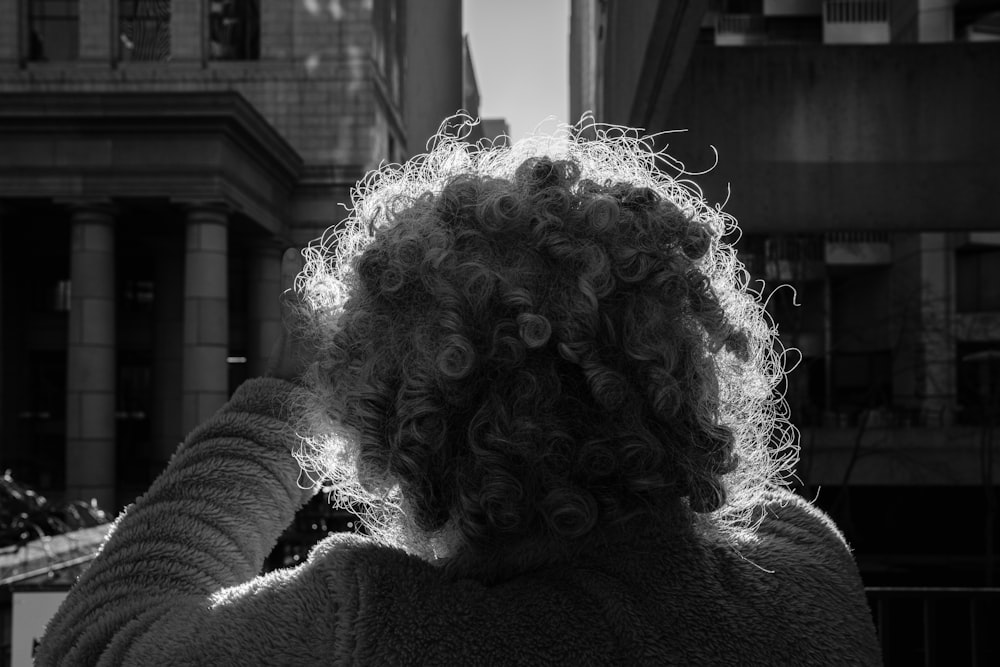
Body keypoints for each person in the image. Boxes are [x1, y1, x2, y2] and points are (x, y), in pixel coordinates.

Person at [38, 120, 882, 665]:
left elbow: (95, 638)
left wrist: (280, 395)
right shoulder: (808, 569)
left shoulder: (371, 628)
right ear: (691, 366)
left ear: (389, 426)